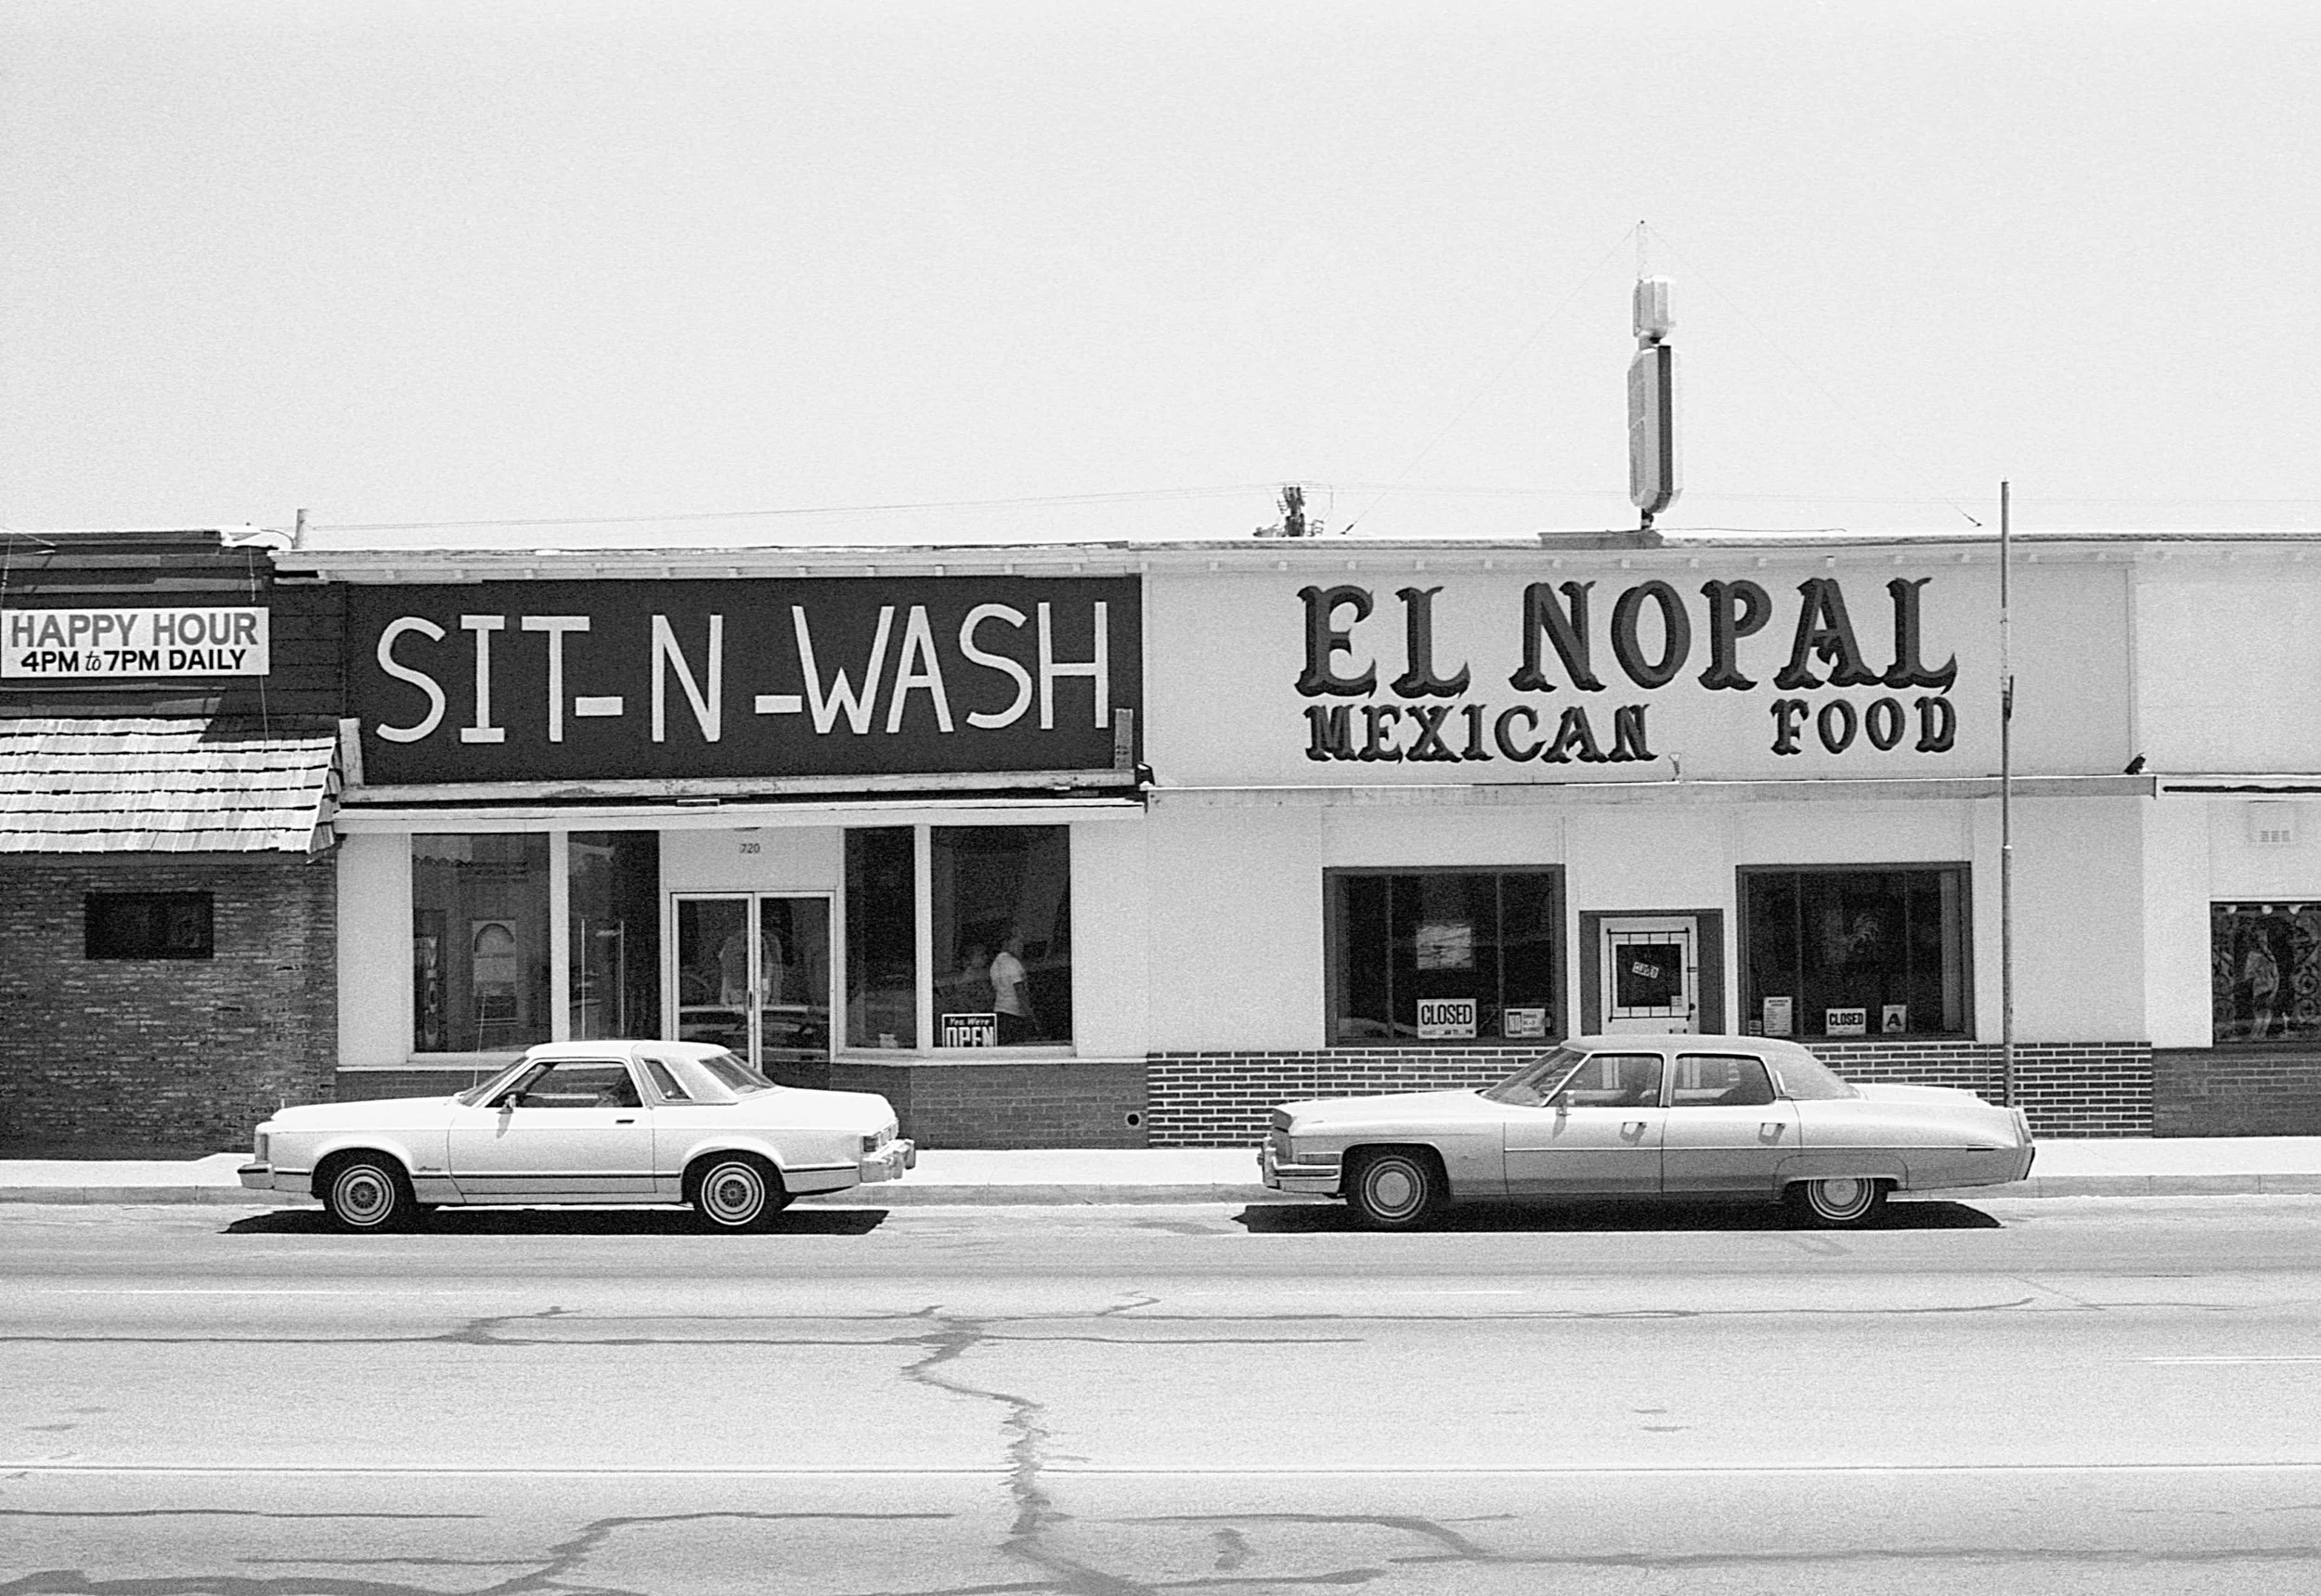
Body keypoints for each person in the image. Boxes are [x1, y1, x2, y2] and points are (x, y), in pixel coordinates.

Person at [990, 934, 1034, 1045]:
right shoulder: (1012, 963)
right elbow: (1020, 991)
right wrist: (1031, 1016)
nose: (1022, 946)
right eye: (1018, 942)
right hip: (1014, 1013)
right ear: (1007, 943)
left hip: (1000, 1010)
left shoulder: (995, 964)